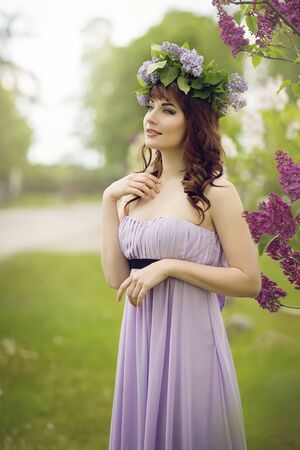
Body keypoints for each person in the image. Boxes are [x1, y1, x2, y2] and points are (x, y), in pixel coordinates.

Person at [101, 41, 262, 450]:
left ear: (194, 123)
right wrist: (109, 201)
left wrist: (169, 266)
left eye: (167, 109)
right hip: (140, 339)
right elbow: (117, 278)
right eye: (151, 105)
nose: (151, 117)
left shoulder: (217, 192)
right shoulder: (137, 191)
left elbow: (249, 281)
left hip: (191, 343)